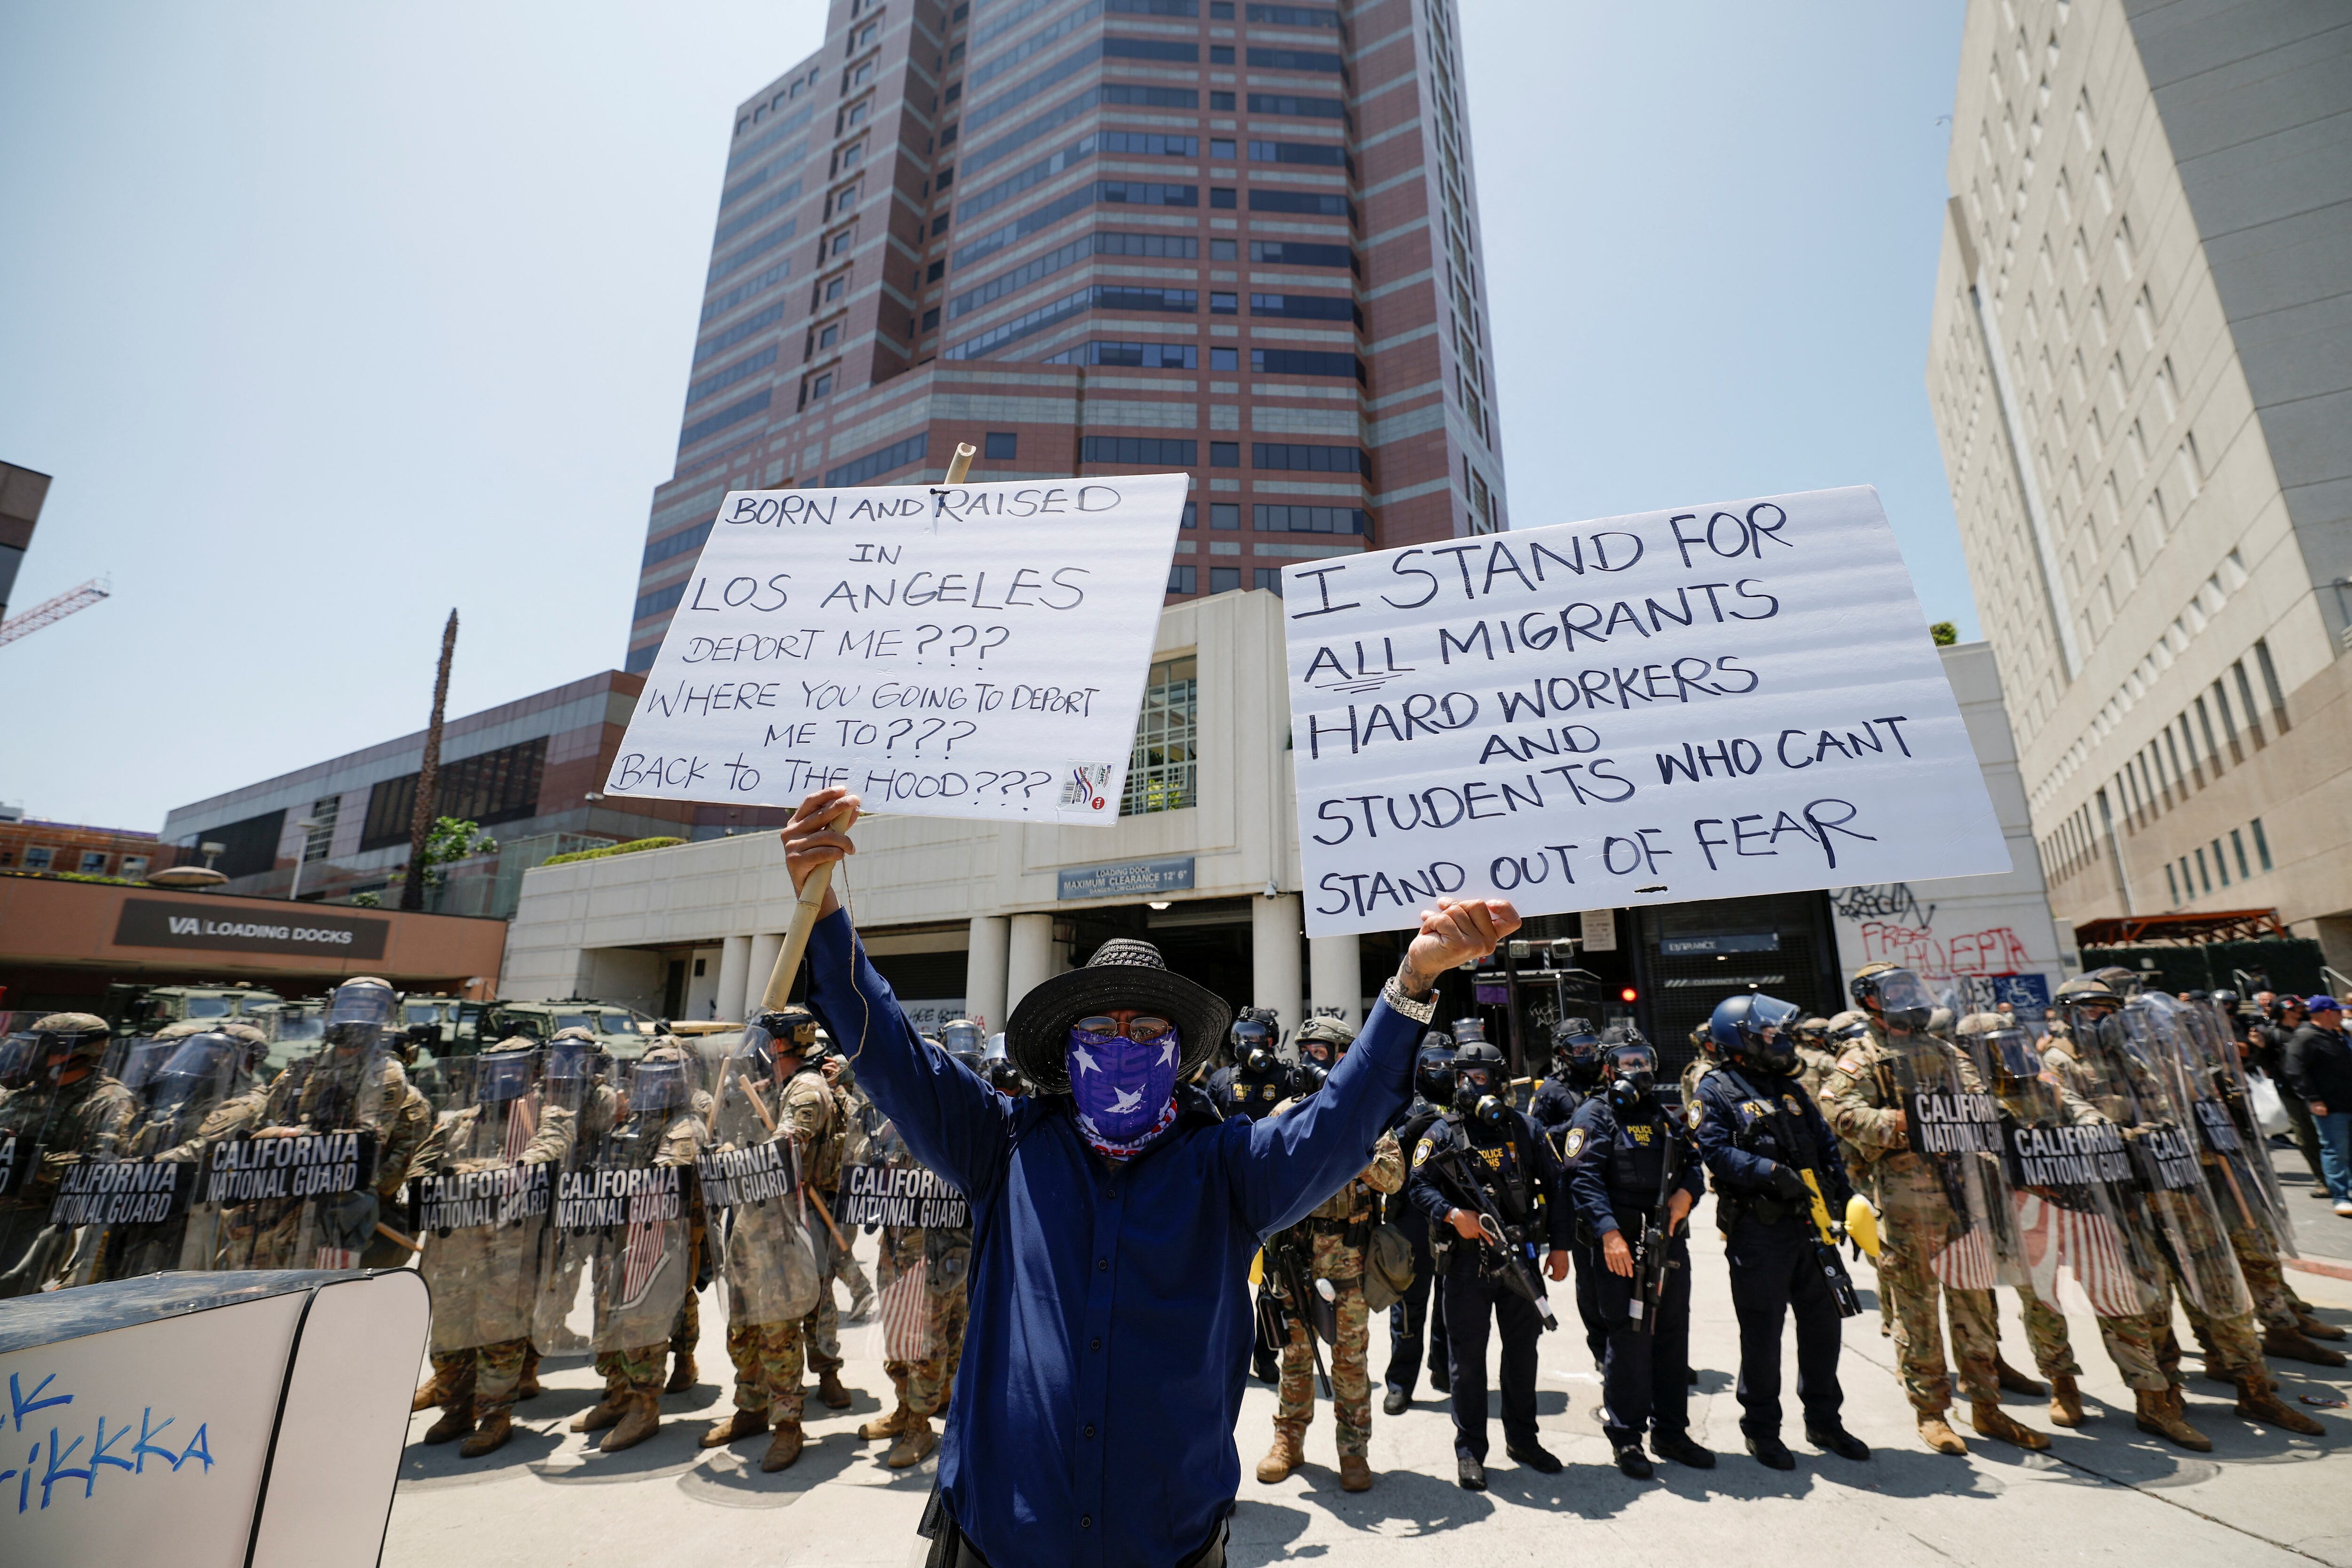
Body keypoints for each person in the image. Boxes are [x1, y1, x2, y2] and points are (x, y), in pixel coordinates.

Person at [781, 786, 1517, 1568]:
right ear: (1066, 1049)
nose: (1122, 1044)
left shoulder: (1229, 1167)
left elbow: (1340, 1122)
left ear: (1180, 1053)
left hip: (1166, 1543)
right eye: (1099, 1028)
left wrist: (1411, 981)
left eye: (1147, 1029)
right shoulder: (999, 1143)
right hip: (999, 1536)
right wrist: (823, 913)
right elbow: (890, 1049)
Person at [1820, 963, 2049, 1456]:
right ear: (1870, 1002)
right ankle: (1931, 1413)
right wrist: (1904, 1124)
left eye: (1909, 988)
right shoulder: (1861, 1056)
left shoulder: (1942, 1050)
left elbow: (1979, 1102)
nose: (1907, 997)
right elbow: (1838, 1112)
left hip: (1963, 1198)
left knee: (1975, 1307)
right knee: (1917, 1311)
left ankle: (1987, 1405)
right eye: (1894, 991)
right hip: (1905, 1203)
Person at [1692, 992, 1869, 1469]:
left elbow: (1825, 1147)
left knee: (1822, 1327)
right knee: (1762, 1333)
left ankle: (1824, 1422)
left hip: (1810, 1226)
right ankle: (1762, 1429)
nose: (1777, 1039)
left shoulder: (1790, 1089)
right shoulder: (1715, 1089)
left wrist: (1847, 1197)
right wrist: (1768, 1173)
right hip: (1758, 1228)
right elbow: (1712, 1151)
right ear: (1741, 1039)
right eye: (1767, 1033)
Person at [1406, 1036, 1572, 1491]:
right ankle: (1470, 1451)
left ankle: (1523, 1439)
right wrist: (1451, 1214)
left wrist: (1561, 1247)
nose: (1471, 1086)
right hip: (1465, 1266)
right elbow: (1416, 1186)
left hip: (1521, 1259)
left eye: (1481, 1078)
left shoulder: (1526, 1128)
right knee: (1467, 1362)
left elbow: (1558, 1188)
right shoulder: (1443, 1132)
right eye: (1464, 1078)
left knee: (1522, 1355)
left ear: (1500, 1082)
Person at [703, 1005, 859, 1472]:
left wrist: (732, 1160)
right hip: (752, 1222)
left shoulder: (807, 1091)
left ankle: (787, 1425)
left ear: (777, 1044)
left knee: (777, 1330)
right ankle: (750, 1409)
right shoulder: (771, 1086)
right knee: (743, 1325)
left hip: (787, 1228)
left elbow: (784, 1148)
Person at [1256, 1015, 1405, 1493]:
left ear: (1343, 1057)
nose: (1310, 1059)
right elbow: (1261, 1173)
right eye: (1305, 1050)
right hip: (1296, 1254)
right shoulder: (1285, 1111)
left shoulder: (1367, 1114)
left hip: (1347, 1257)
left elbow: (1392, 1178)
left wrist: (1348, 1141)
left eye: (1321, 1050)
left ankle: (1352, 1452)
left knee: (1348, 1360)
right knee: (1295, 1355)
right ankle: (1288, 1442)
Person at [413, 1036, 578, 1457]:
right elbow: (421, 1164)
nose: (501, 1078)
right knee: (449, 1331)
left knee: (498, 1333)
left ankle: (495, 1416)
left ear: (531, 1074)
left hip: (511, 1249)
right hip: (453, 1249)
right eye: (494, 1069)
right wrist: (424, 1182)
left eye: (513, 1069)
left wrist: (467, 1174)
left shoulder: (550, 1116)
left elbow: (542, 1158)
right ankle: (456, 1408)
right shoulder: (461, 1121)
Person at [1563, 1034, 1711, 1476]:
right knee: (1628, 1341)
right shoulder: (1595, 1114)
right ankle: (1627, 1438)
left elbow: (1692, 1163)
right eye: (1626, 1061)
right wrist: (1609, 1234)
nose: (1637, 1068)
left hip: (1666, 1243)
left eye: (1643, 1060)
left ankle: (1671, 1431)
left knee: (1670, 1337)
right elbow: (1583, 1180)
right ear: (1609, 1068)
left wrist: (1688, 1193)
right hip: (1620, 1247)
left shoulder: (1663, 1117)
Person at [571, 1043, 707, 1453]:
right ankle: (617, 1395)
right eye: (649, 1078)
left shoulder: (685, 1126)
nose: (654, 1087)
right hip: (618, 1236)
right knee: (607, 1316)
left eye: (663, 1079)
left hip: (658, 1243)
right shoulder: (635, 1121)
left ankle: (643, 1407)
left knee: (642, 1324)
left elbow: (667, 1180)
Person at [0, 1013, 136, 1296]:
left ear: (73, 1052)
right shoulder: (23, 1094)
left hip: (40, 1218)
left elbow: (105, 1165)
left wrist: (28, 1160)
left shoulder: (108, 1099)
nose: (27, 1054)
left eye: (39, 1047)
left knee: (10, 1295)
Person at [1381, 1033, 1454, 1415]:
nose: (1442, 1069)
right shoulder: (1402, 1099)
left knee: (1453, 1299)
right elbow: (1378, 1146)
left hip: (1456, 1211)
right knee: (1410, 1303)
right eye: (1434, 1061)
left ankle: (1443, 1371)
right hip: (1411, 1212)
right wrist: (1409, 1130)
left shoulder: (1463, 1097)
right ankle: (1400, 1382)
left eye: (1448, 1060)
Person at [2286, 996, 2352, 1218]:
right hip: (2330, 1106)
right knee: (2336, 1150)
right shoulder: (2306, 1036)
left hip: (2347, 1102)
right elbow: (2295, 1070)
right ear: (2327, 1013)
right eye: (2338, 1011)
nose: (2342, 1015)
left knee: (2348, 1150)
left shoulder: (2335, 1035)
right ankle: (2341, 1197)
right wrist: (2313, 1099)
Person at [1528, 1017, 1601, 1138]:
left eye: (1591, 1046)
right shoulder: (1550, 1091)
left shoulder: (1604, 1083)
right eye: (1580, 1048)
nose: (1588, 1053)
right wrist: (1571, 1126)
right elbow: (1536, 1135)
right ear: (1563, 1052)